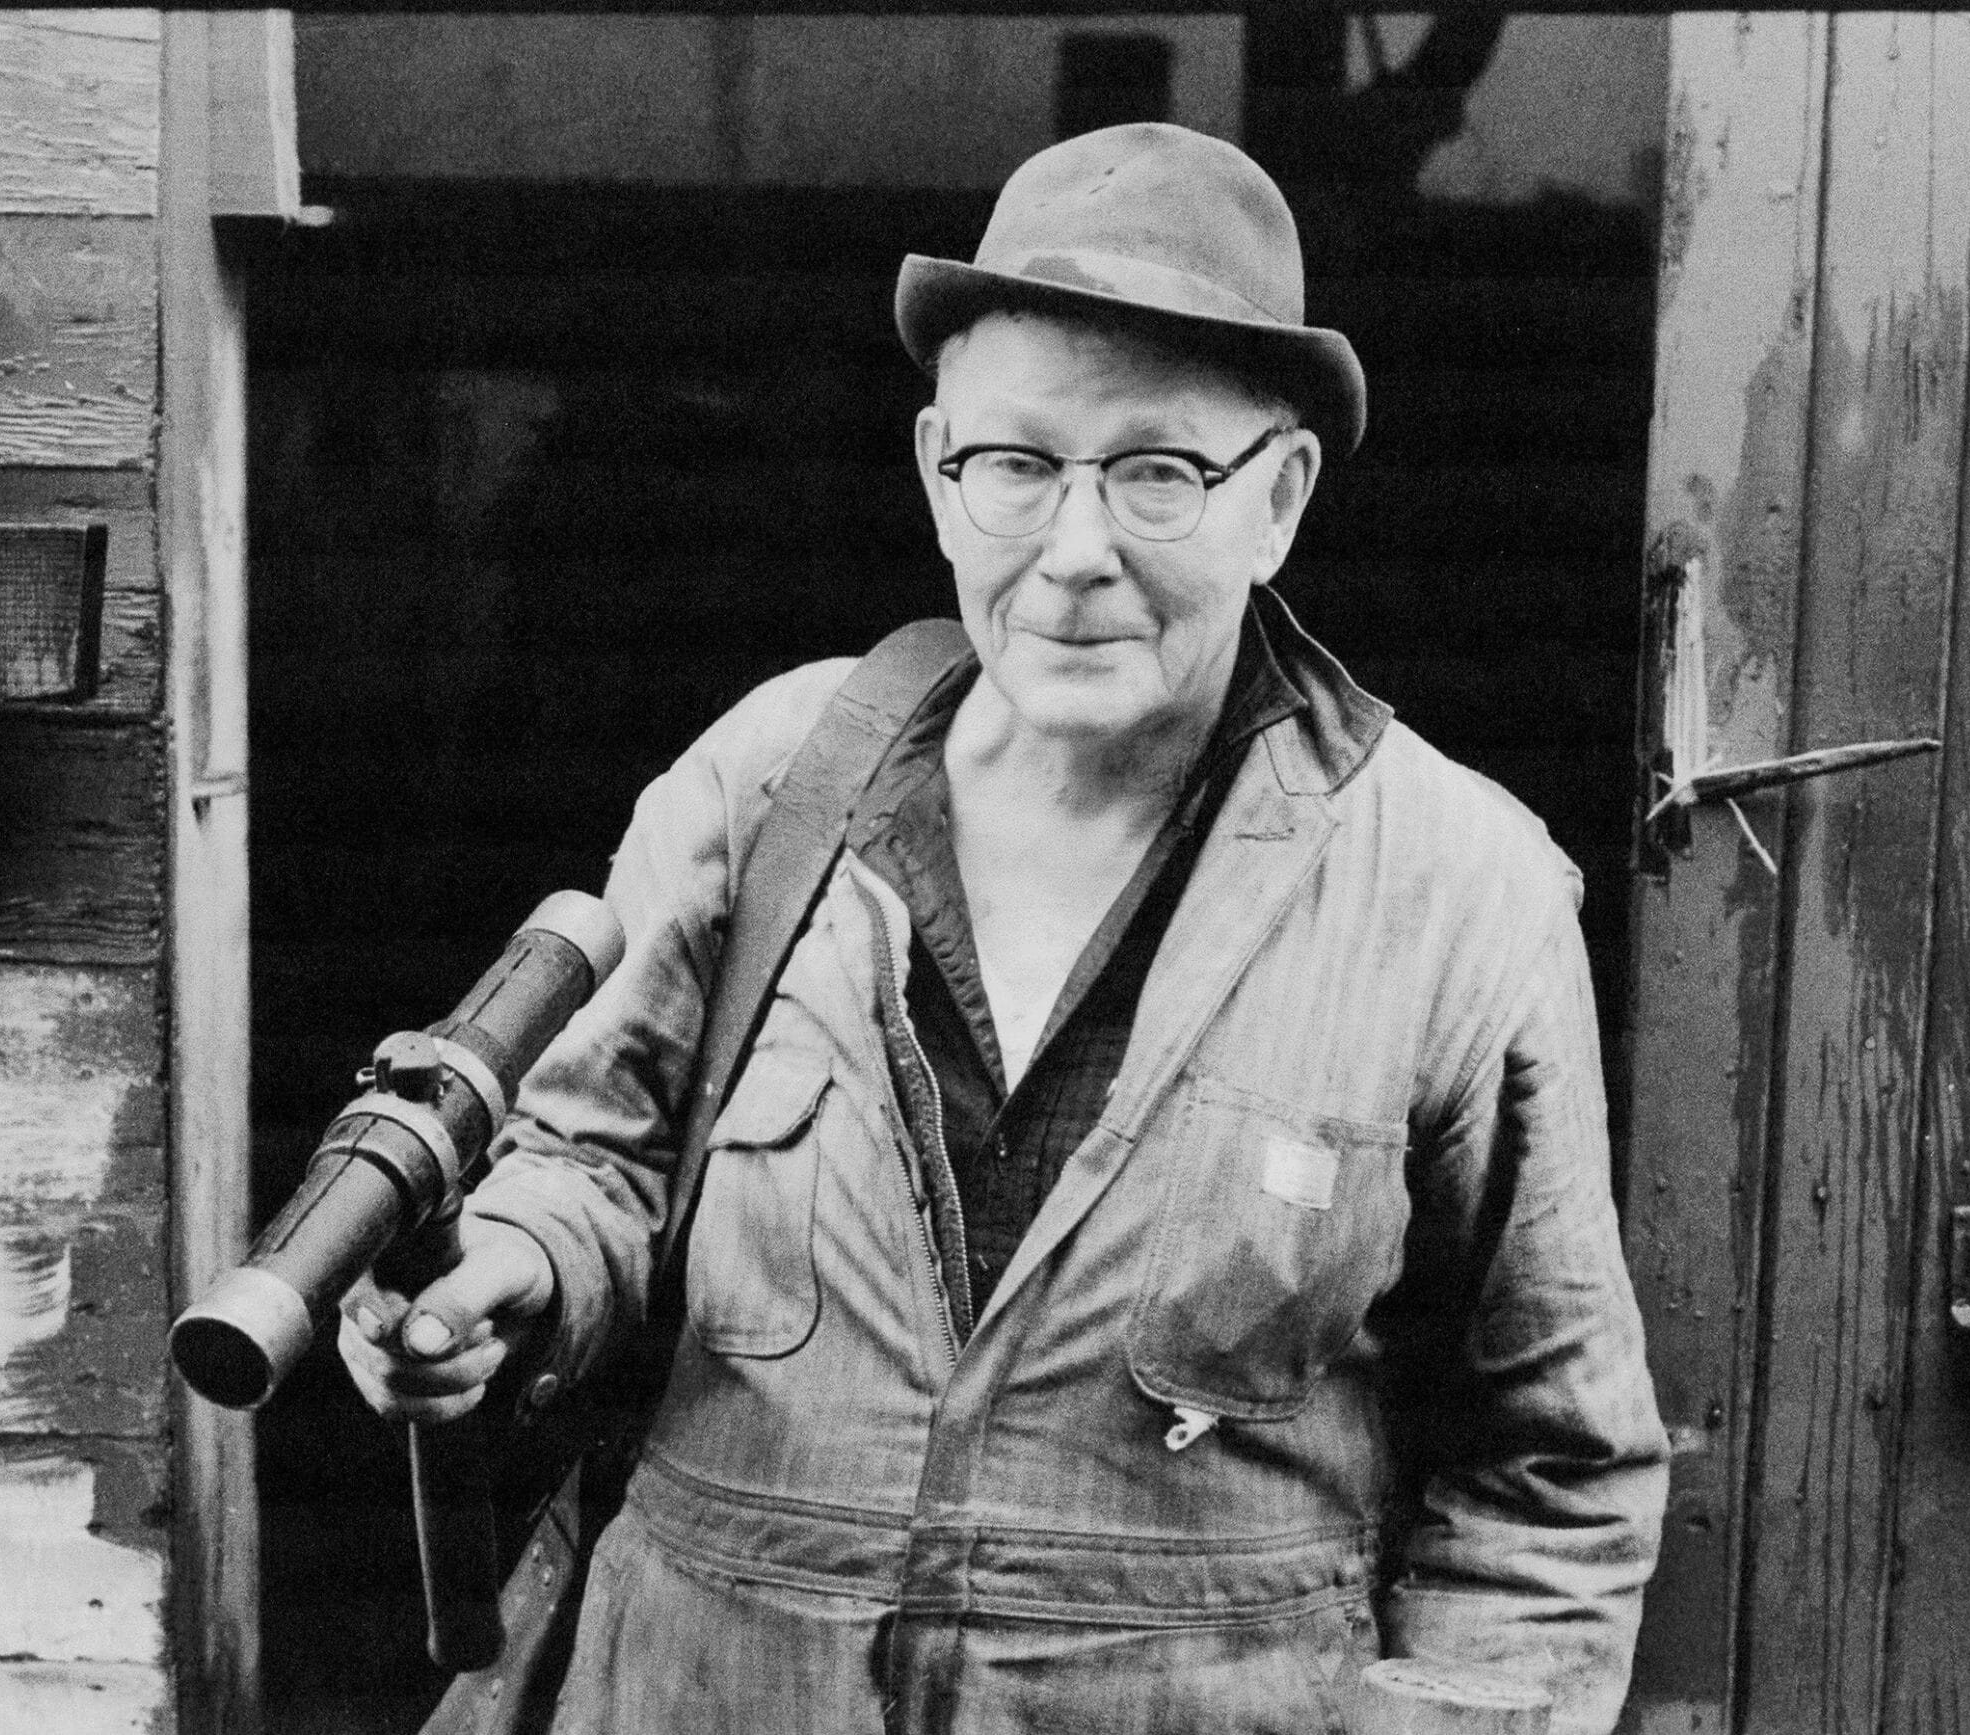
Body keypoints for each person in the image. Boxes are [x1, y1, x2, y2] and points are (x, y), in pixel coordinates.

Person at [340, 122, 1667, 1735]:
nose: (1075, 550)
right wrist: (517, 1272)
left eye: (1160, 471)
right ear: (935, 475)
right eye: (1018, 465)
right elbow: (598, 1153)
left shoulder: (1459, 891)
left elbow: (1552, 1466)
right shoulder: (775, 779)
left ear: (1283, 501)